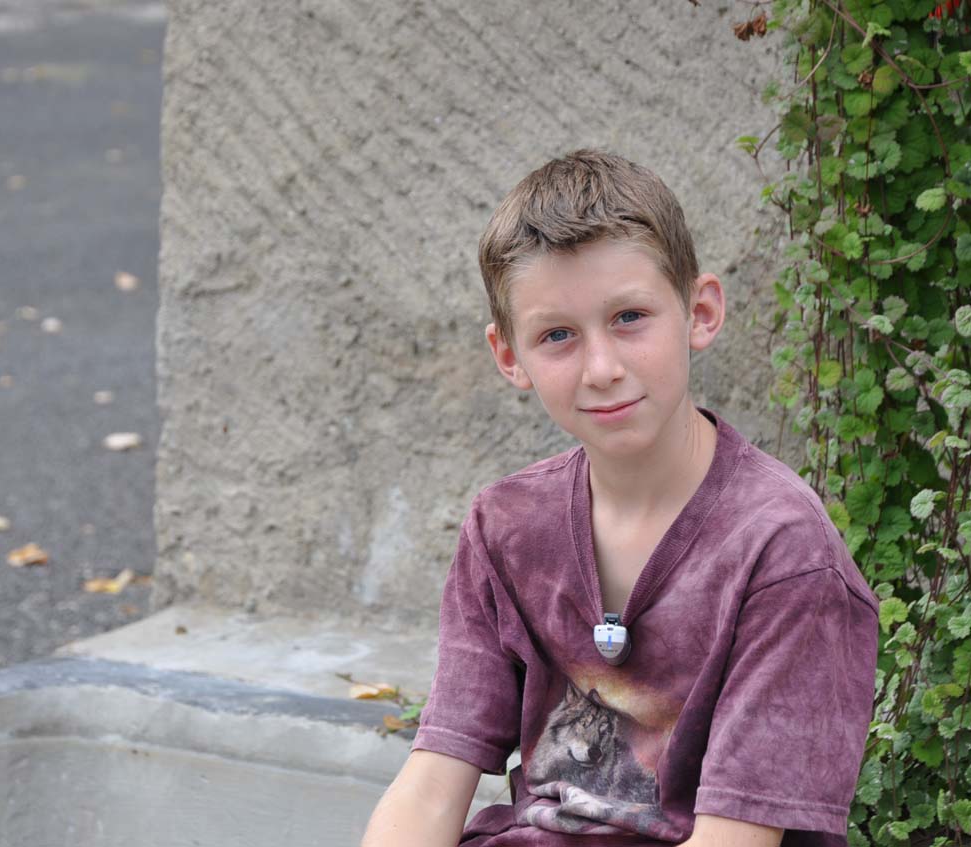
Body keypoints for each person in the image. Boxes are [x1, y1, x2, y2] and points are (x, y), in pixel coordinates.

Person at [360, 149, 880, 847]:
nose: (602, 368)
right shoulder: (505, 527)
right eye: (557, 336)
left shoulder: (783, 550)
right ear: (510, 355)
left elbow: (735, 841)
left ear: (700, 312)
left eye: (630, 317)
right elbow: (431, 783)